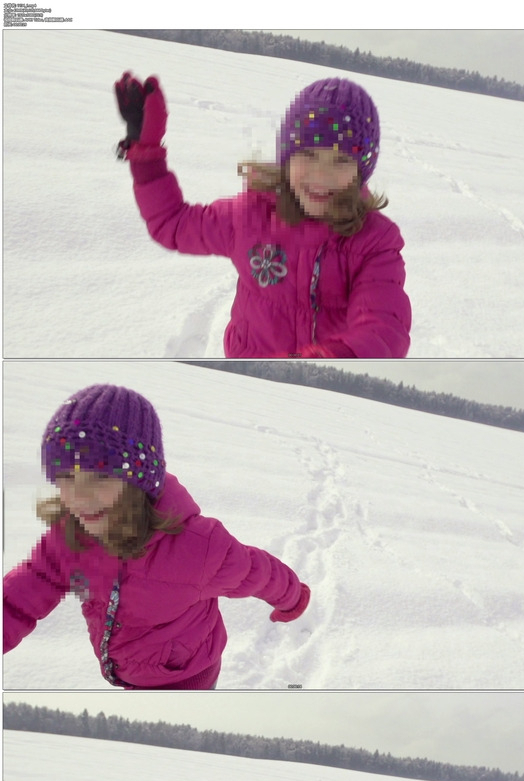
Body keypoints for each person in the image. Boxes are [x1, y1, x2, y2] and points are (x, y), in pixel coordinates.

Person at [3, 384, 310, 689]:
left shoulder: (197, 548)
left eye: (100, 477)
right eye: (67, 477)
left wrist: (293, 599)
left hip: (186, 677)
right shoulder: (70, 536)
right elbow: (18, 599)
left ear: (138, 480)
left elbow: (257, 572)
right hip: (124, 671)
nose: (80, 497)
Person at [114, 73, 412, 359]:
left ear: (361, 171)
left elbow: (384, 329)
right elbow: (173, 225)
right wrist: (147, 156)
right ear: (286, 156)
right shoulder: (249, 217)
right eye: (308, 155)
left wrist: (332, 360)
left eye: (340, 160)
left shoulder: (374, 242)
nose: (321, 175)